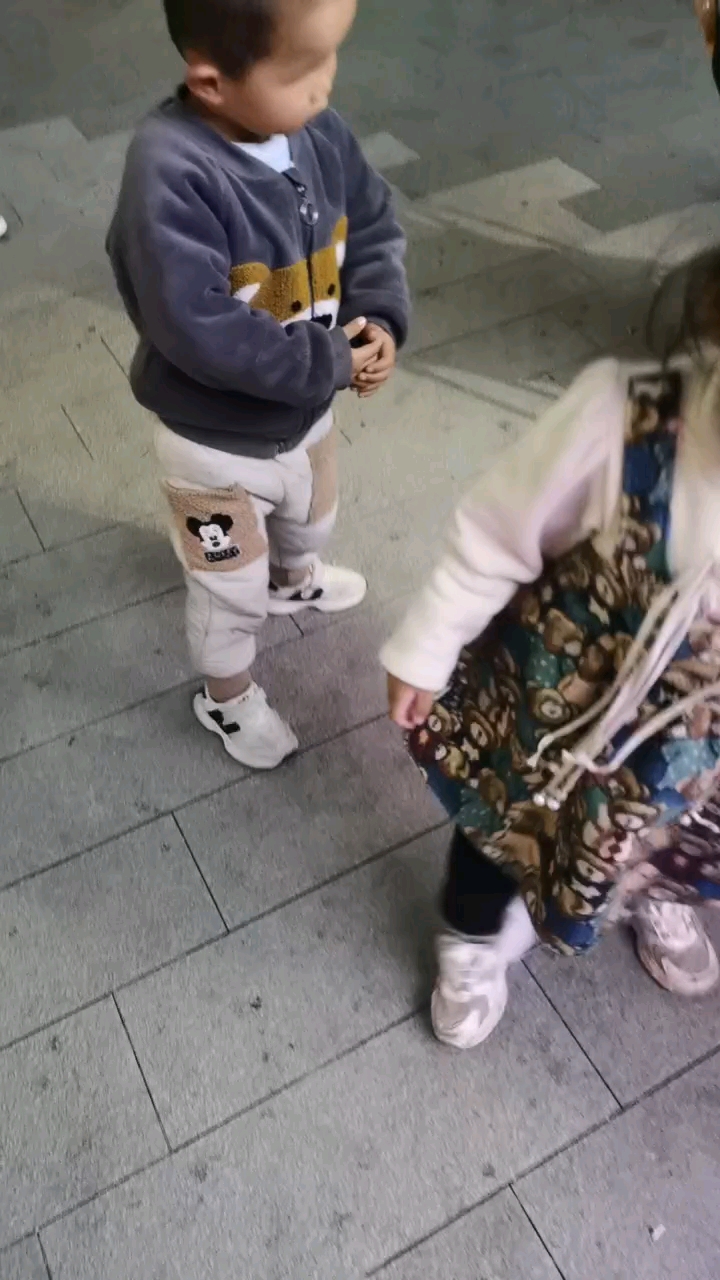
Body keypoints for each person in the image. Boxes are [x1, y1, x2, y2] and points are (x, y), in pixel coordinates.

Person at [381, 249, 720, 1050]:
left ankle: (653, 890)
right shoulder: (624, 420)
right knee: (499, 829)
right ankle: (470, 937)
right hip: (555, 722)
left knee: (679, 837)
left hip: (692, 762)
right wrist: (429, 642)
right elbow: (495, 536)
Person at [107, 0, 408, 769]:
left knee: (313, 516)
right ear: (211, 82)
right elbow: (197, 326)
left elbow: (373, 223)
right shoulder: (169, 172)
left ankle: (294, 577)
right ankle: (227, 696)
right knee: (226, 591)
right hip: (211, 448)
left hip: (307, 414)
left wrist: (379, 317)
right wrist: (329, 362)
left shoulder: (319, 132)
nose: (325, 84)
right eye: (301, 68)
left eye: (331, 55)